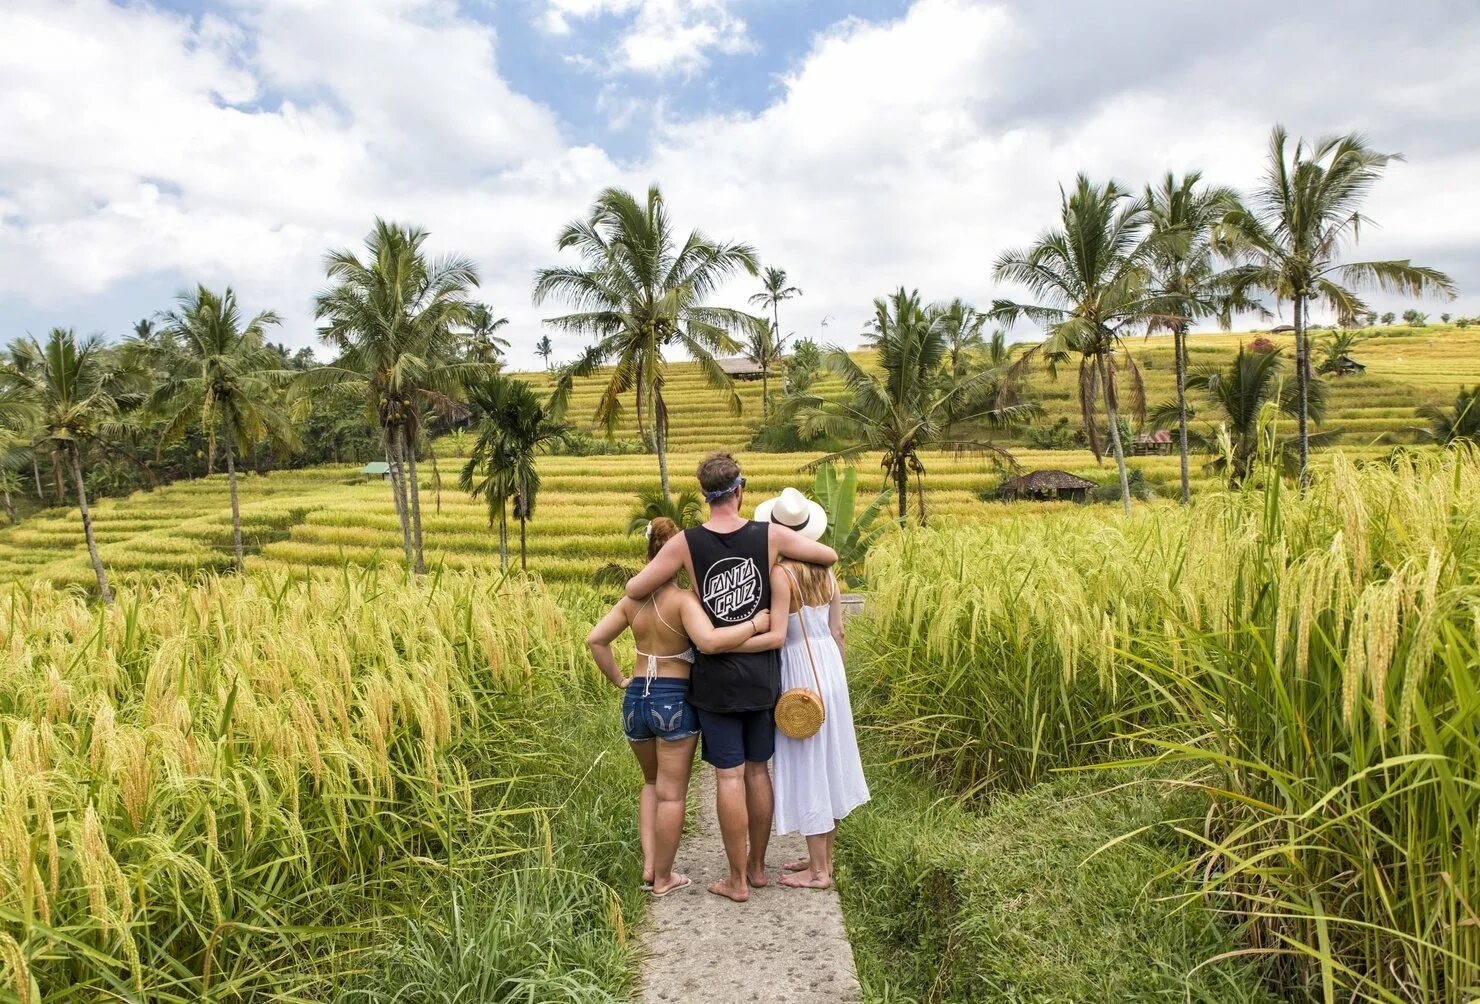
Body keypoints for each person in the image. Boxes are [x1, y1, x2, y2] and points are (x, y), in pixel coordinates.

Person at [626, 453, 839, 902]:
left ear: (705, 495)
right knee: (758, 770)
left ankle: (736, 880)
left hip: (715, 678)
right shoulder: (771, 536)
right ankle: (759, 868)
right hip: (763, 674)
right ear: (740, 490)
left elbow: (634, 588)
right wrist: (780, 568)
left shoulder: (685, 543)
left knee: (729, 776)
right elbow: (828, 554)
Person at [587, 516, 775, 897]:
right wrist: (756, 624)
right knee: (672, 793)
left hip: (636, 697)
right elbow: (710, 641)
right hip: (673, 698)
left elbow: (596, 641)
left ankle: (650, 865)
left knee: (651, 783)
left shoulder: (631, 603)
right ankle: (664, 879)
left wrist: (620, 679)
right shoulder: (685, 601)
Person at [752, 487, 870, 889]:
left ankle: (819, 871)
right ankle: (824, 859)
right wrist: (836, 672)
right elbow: (838, 630)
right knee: (830, 759)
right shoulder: (827, 571)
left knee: (808, 763)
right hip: (830, 669)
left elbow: (777, 635)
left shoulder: (782, 574)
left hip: (801, 667)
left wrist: (731, 641)